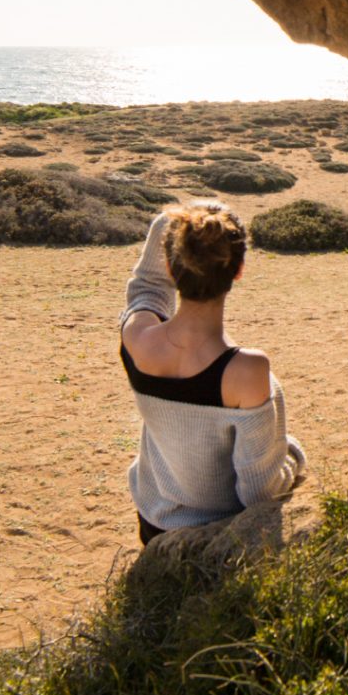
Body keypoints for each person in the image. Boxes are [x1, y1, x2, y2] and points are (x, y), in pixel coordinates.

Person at [119, 200, 305, 545]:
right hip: (216, 539)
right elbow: (260, 493)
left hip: (154, 523)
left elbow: (145, 288)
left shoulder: (138, 339)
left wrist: (173, 222)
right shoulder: (246, 370)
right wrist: (292, 455)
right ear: (238, 270)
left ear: (172, 269)